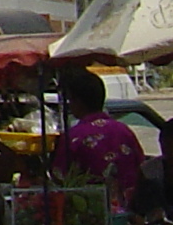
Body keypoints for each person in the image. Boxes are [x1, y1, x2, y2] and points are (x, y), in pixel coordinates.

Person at [53, 66, 143, 206]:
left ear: (78, 101)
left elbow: (60, 180)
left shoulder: (73, 137)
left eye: (71, 100)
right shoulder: (124, 131)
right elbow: (141, 168)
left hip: (92, 216)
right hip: (129, 215)